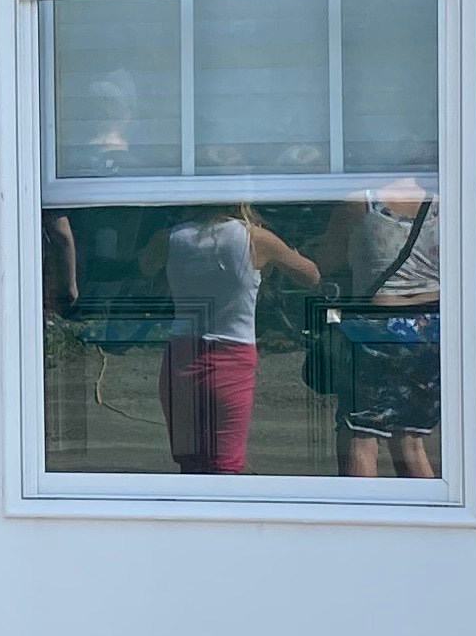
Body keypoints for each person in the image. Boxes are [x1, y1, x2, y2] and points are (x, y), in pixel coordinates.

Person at [157, 205, 318, 474]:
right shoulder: (256, 238)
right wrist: (288, 254)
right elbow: (310, 276)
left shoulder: (169, 238)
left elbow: (144, 266)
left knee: (190, 462)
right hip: (232, 356)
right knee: (225, 467)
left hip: (181, 353)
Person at [326, 185, 441, 477]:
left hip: (377, 326)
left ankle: (360, 518)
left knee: (362, 436)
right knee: (410, 441)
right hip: (430, 328)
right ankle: (426, 519)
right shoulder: (443, 200)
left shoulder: (359, 202)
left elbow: (327, 259)